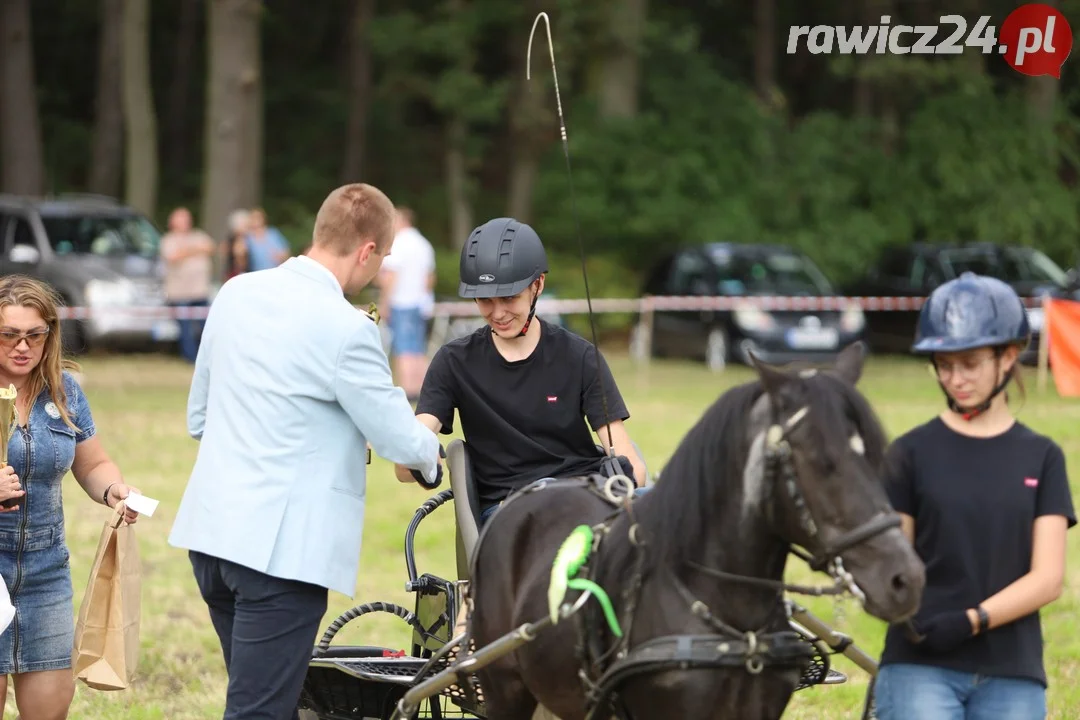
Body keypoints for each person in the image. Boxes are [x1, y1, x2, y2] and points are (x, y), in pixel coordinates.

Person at [168, 183, 444, 720]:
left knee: (269, 700)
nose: (378, 269)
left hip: (211, 536)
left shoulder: (235, 292)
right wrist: (434, 455)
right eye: (382, 258)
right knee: (263, 712)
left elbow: (199, 418)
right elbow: (396, 435)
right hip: (279, 555)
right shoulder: (345, 327)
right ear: (366, 250)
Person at [875, 272, 1076, 720]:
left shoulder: (1043, 457)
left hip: (1012, 669)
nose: (955, 379)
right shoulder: (908, 452)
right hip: (919, 663)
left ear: (1007, 356)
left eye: (969, 363)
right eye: (943, 365)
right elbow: (895, 564)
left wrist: (972, 620)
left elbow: (1048, 578)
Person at [393, 217, 647, 523]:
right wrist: (415, 457)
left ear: (538, 284)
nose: (498, 313)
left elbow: (628, 459)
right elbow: (409, 458)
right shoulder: (453, 362)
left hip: (583, 498)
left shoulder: (580, 357)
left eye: (509, 297)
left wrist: (627, 478)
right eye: (485, 300)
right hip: (507, 511)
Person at [0, 275, 140, 719]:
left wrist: (114, 489)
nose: (23, 347)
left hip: (45, 573)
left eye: (34, 336)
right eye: (8, 335)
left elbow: (92, 464)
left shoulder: (64, 392)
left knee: (50, 710)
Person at [378, 207, 436, 401]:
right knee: (418, 347)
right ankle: (423, 388)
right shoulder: (424, 244)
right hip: (420, 302)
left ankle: (408, 391)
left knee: (403, 347)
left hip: (402, 301)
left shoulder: (399, 243)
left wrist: (384, 302)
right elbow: (430, 278)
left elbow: (390, 276)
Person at [160, 206, 215, 363]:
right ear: (173, 222)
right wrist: (195, 250)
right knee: (186, 330)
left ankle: (207, 356)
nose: (186, 222)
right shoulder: (168, 240)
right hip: (180, 293)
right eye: (181, 218)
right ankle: (190, 358)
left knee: (207, 327)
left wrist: (186, 251)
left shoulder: (198, 235)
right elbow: (173, 256)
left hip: (200, 291)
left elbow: (210, 247)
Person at [243, 207, 290, 271]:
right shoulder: (247, 237)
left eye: (258, 217)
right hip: (256, 273)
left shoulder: (273, 233)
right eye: (253, 217)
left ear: (264, 218)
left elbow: (286, 251)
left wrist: (281, 257)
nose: (256, 220)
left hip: (276, 270)